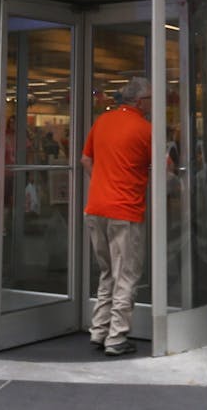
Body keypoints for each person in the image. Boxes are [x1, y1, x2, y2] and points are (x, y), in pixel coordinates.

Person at [80, 76, 152, 357]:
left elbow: (86, 159)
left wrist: (102, 180)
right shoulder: (145, 129)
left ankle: (98, 331)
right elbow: (163, 167)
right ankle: (117, 338)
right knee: (127, 274)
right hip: (126, 211)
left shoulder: (102, 122)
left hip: (95, 208)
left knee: (108, 272)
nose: (153, 104)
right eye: (150, 99)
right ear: (139, 101)